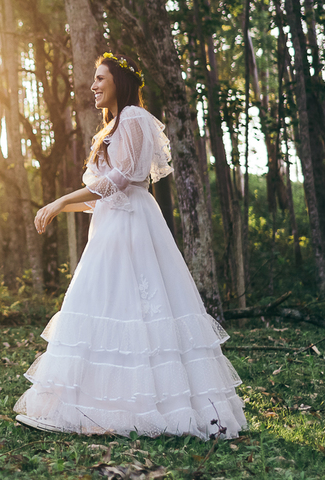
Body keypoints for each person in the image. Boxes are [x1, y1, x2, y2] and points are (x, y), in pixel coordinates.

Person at [14, 53, 247, 439]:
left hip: (135, 226)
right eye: (93, 79)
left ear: (119, 83)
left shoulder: (136, 118)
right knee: (103, 305)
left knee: (143, 306)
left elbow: (125, 178)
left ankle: (162, 408)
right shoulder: (110, 128)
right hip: (110, 228)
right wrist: (64, 207)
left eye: (100, 78)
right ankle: (88, 407)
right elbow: (100, 196)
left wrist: (59, 200)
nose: (93, 86)